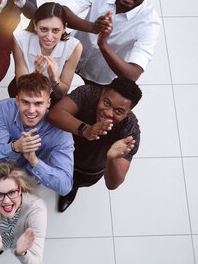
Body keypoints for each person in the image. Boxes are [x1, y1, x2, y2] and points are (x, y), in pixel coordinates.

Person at [62, 0, 161, 85]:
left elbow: (132, 75)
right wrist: (92, 27)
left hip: (101, 78)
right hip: (69, 57)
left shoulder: (150, 23)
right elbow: (60, 11)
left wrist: (103, 44)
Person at [47, 77, 142, 212]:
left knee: (71, 185)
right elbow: (54, 114)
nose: (108, 113)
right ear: (102, 93)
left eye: (119, 111)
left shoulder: (130, 131)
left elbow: (112, 184)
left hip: (86, 171)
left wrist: (112, 158)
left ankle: (70, 189)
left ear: (128, 113)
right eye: (107, 103)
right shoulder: (88, 93)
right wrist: (85, 130)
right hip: (58, 153)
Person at [0, 73, 74, 195]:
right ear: (17, 100)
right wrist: (15, 147)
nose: (31, 110)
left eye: (38, 103)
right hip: (2, 170)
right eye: (25, 102)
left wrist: (34, 161)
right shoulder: (4, 108)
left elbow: (65, 186)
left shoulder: (61, 131)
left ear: (48, 103)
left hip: (32, 177)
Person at [10, 2, 82, 102]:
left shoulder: (74, 47)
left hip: (53, 95)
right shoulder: (20, 40)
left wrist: (54, 78)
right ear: (35, 25)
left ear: (64, 28)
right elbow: (21, 86)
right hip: (22, 91)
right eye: (44, 29)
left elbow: (61, 93)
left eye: (56, 30)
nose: (49, 37)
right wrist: (35, 75)